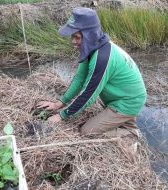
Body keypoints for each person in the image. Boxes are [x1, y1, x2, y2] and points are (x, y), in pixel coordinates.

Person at [36, 7, 147, 139]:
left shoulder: (102, 58)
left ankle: (131, 134)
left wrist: (61, 116)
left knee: (87, 131)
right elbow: (80, 79)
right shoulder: (91, 47)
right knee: (105, 123)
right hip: (122, 97)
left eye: (77, 37)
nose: (73, 42)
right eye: (72, 36)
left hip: (128, 102)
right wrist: (59, 103)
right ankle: (127, 123)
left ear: (90, 35)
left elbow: (89, 95)